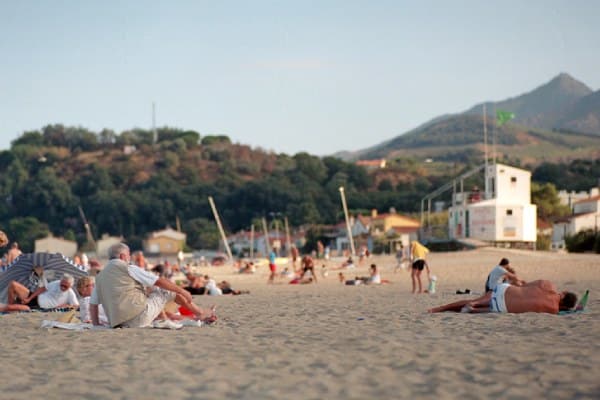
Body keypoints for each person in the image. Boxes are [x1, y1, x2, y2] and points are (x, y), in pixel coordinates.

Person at [90, 243, 213, 328]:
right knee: (167, 290)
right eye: (128, 255)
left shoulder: (100, 276)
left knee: (150, 293)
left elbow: (93, 304)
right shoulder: (128, 267)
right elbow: (159, 281)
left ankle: (165, 318)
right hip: (139, 318)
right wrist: (183, 291)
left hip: (117, 323)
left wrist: (96, 325)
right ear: (123, 256)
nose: (130, 258)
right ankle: (200, 313)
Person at [428, 280, 577, 314]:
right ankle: (475, 309)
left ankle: (440, 308)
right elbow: (566, 312)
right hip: (502, 308)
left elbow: (524, 285)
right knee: (492, 307)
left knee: (474, 300)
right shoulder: (554, 310)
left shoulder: (547, 285)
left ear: (562, 293)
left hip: (504, 291)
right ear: (564, 305)